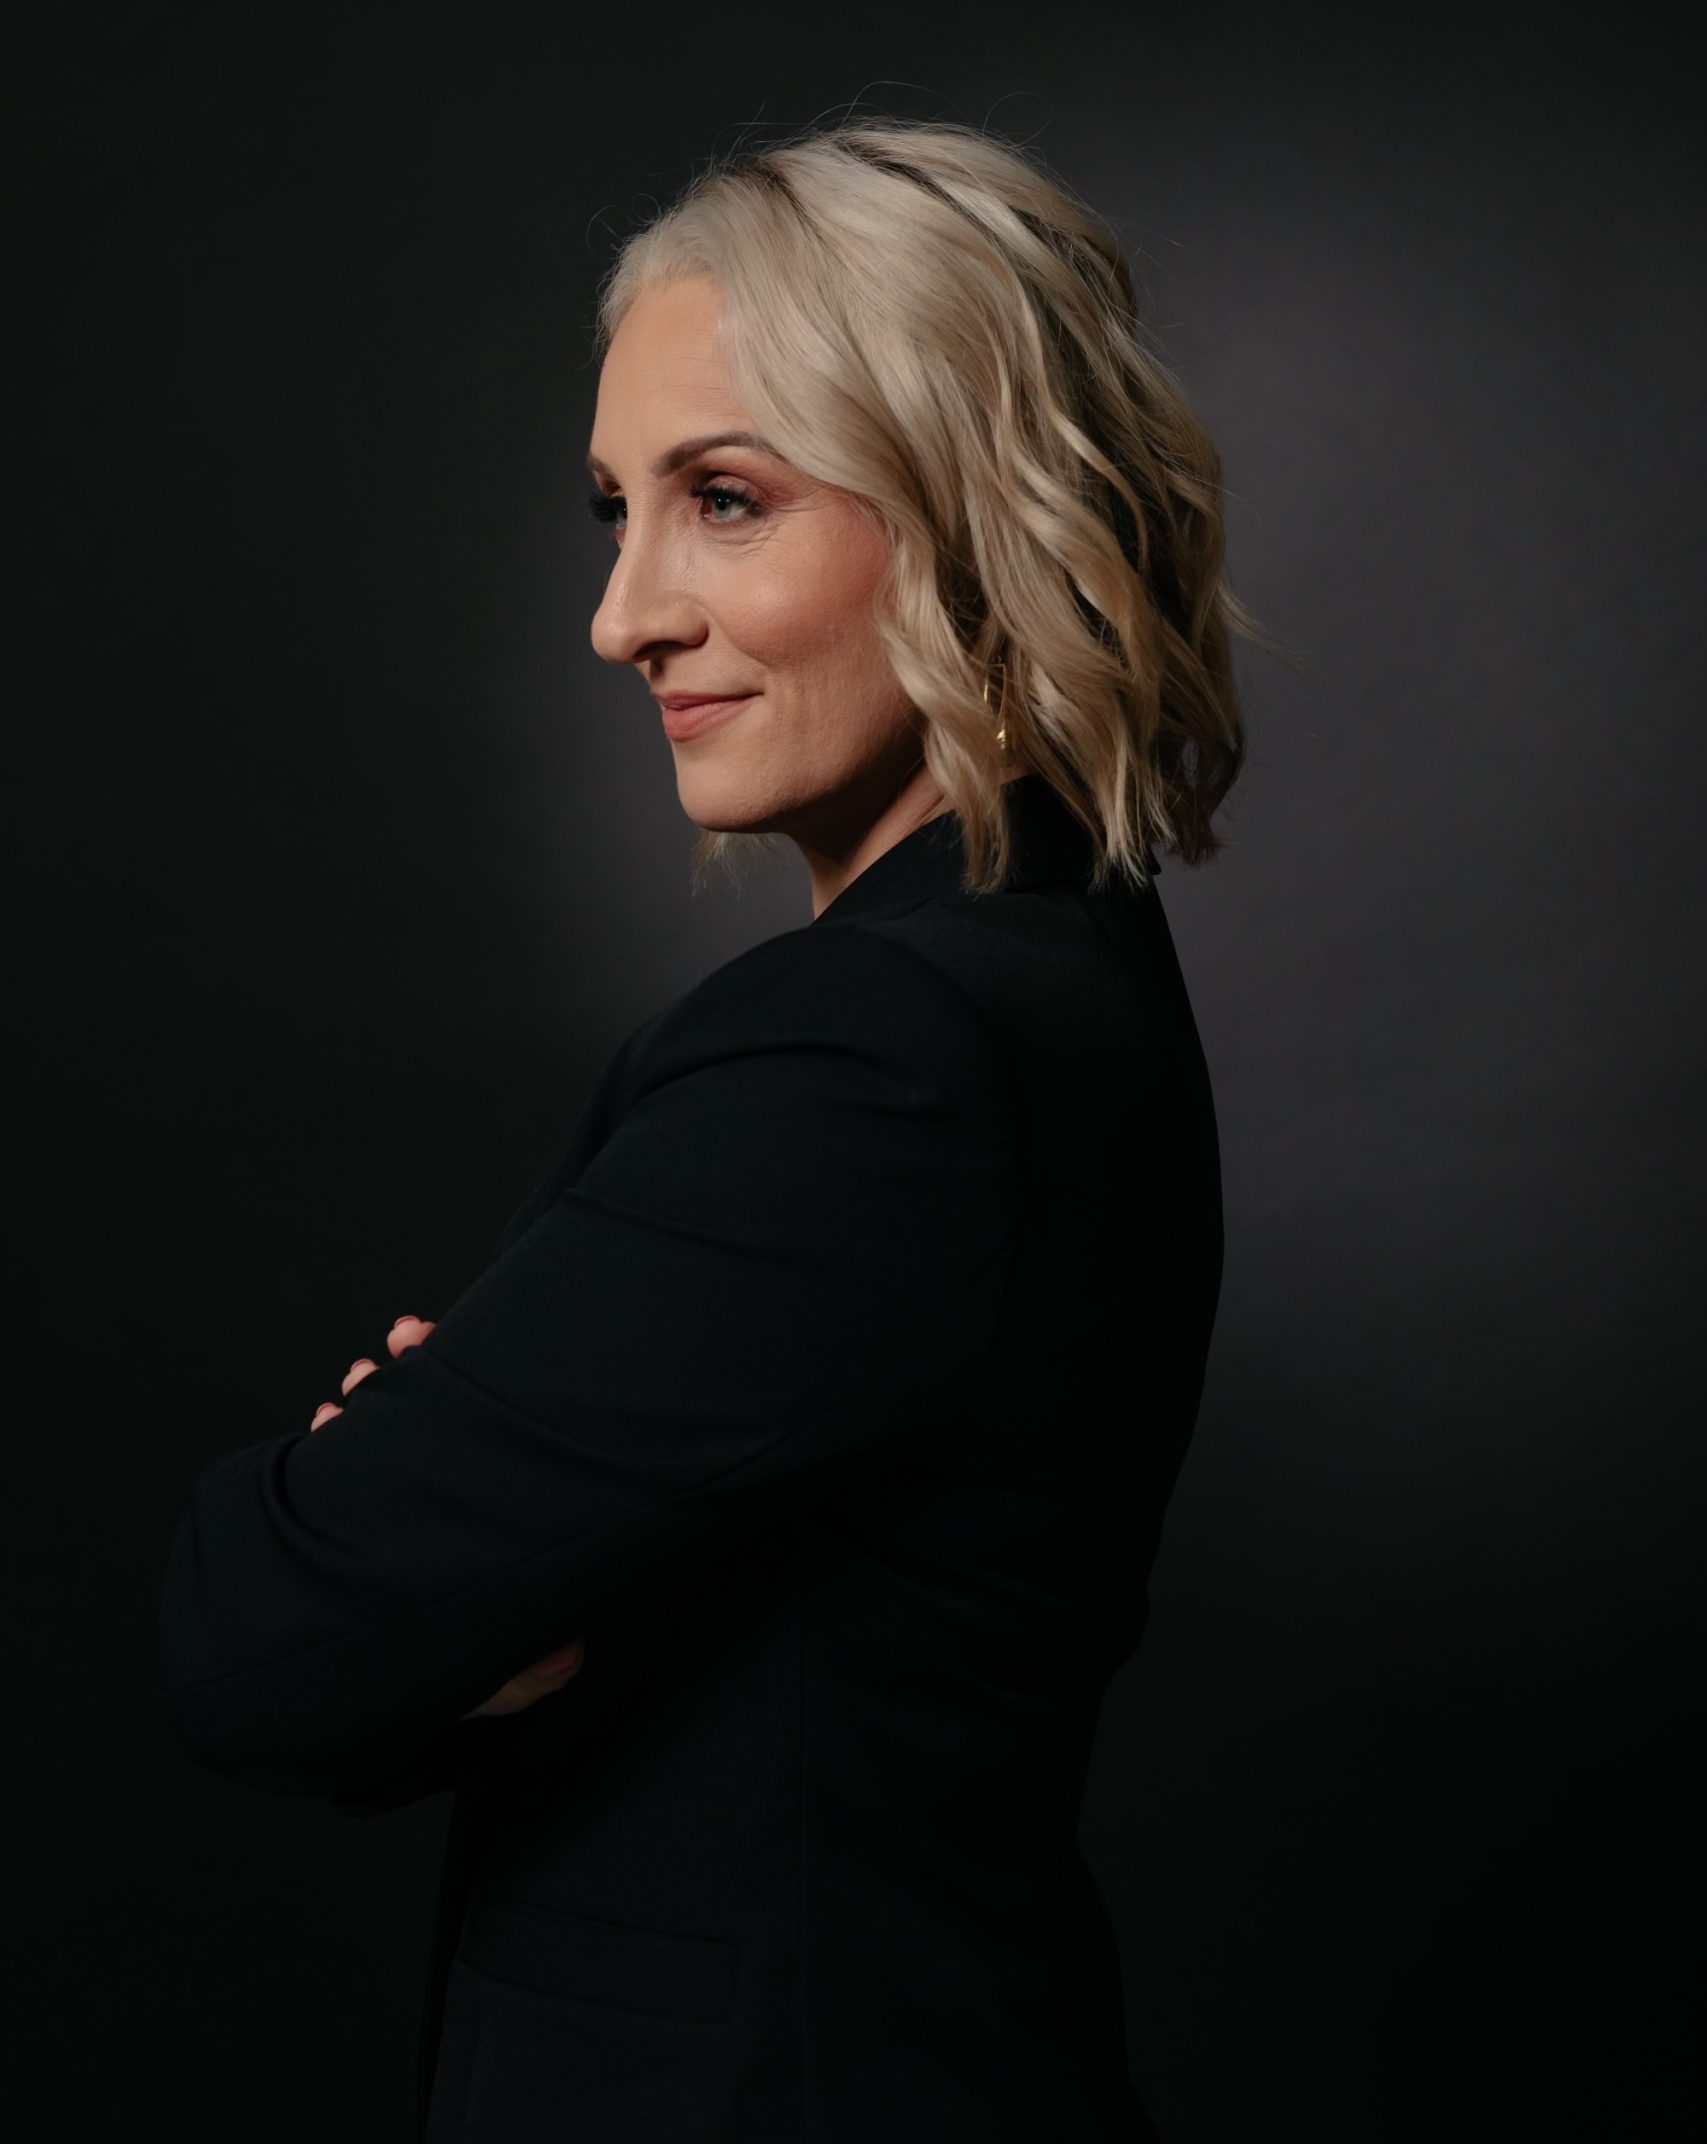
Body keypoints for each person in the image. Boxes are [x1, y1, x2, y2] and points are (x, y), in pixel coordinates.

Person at [156, 114, 1266, 2143]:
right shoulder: (1057, 973)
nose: (624, 614)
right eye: (617, 512)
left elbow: (258, 1636)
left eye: (726, 500)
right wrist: (454, 1600)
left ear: (970, 512)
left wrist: (399, 1548)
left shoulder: (875, 1052)